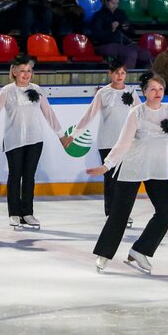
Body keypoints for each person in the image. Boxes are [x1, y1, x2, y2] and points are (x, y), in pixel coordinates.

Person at [87, 73, 168, 274]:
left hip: (158, 168)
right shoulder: (136, 113)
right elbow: (124, 142)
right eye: (153, 89)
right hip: (133, 167)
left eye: (161, 89)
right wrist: (107, 165)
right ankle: (104, 254)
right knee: (120, 213)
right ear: (145, 92)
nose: (158, 93)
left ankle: (141, 250)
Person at [0, 54, 67, 229]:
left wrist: (61, 135)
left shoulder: (37, 90)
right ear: (14, 72)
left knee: (29, 176)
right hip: (14, 140)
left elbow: (49, 114)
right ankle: (14, 213)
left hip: (35, 139)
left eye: (29, 71)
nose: (26, 74)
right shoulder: (7, 91)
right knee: (15, 175)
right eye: (22, 71)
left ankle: (28, 213)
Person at [62, 60, 141, 221]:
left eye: (123, 73)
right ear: (110, 74)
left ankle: (123, 211)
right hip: (107, 141)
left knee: (125, 178)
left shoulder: (131, 92)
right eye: (117, 72)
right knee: (110, 177)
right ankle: (111, 212)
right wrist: (74, 135)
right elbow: (89, 115)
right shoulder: (103, 93)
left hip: (126, 142)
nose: (120, 76)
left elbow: (142, 114)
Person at [90, 0, 150, 68]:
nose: (115, 6)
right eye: (112, 3)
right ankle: (126, 78)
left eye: (117, 4)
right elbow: (96, 35)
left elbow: (132, 31)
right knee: (131, 54)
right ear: (106, 1)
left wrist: (127, 28)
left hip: (124, 43)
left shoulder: (121, 13)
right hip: (107, 44)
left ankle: (146, 77)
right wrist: (111, 29)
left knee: (145, 54)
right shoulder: (99, 15)